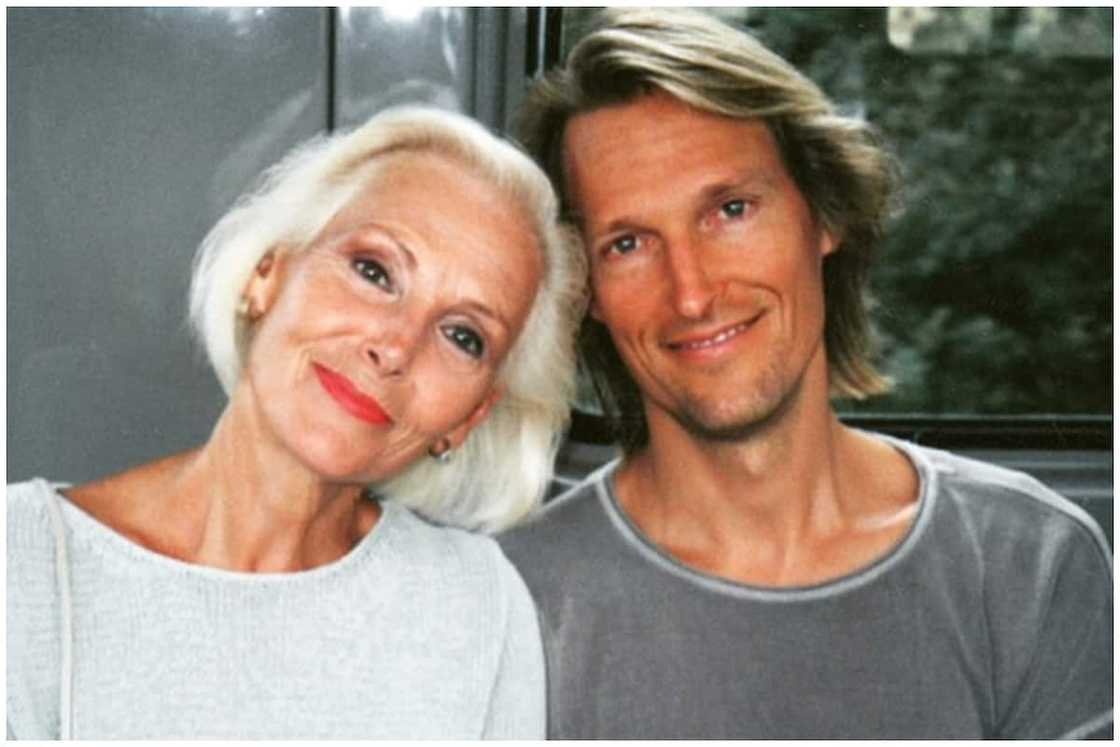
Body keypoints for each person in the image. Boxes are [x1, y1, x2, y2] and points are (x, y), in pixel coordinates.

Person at [499, 8, 1112, 739]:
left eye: (730, 210)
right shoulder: (512, 602)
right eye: (628, 243)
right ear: (586, 289)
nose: (692, 293)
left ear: (823, 215)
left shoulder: (1029, 564)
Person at [7, 105, 585, 739]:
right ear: (268, 275)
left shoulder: (480, 605)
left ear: (471, 417)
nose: (396, 347)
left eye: (462, 336)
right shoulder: (24, 562)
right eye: (374, 271)